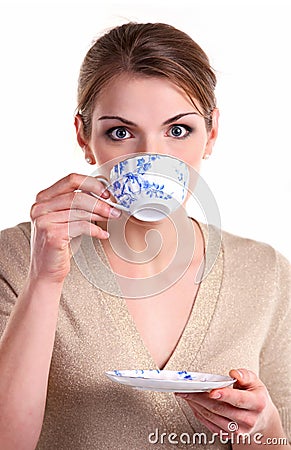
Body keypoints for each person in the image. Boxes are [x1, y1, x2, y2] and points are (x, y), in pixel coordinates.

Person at [0, 22, 290, 450]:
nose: (152, 158)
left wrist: (263, 428)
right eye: (121, 132)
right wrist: (44, 280)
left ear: (211, 134)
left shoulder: (266, 274)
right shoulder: (15, 259)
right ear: (84, 136)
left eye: (178, 130)